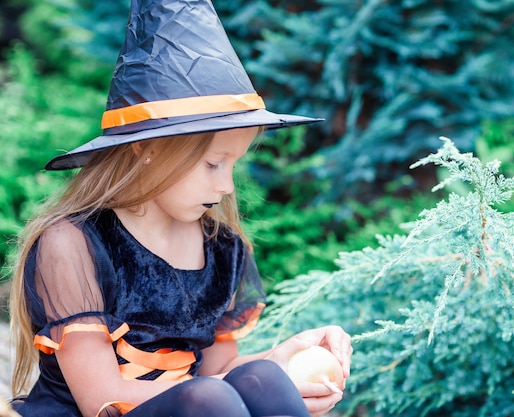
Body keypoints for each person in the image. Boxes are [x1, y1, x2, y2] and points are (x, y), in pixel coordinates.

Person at [8, 1, 352, 416]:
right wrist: (223, 389)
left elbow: (222, 372)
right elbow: (100, 399)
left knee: (257, 380)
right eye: (212, 164)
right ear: (147, 149)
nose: (226, 187)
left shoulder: (223, 248)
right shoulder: (73, 243)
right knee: (209, 395)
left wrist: (279, 364)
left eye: (233, 165)